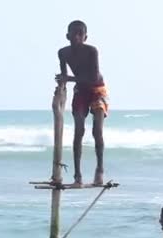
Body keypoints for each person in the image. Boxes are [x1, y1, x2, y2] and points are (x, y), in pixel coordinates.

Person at [55, 20, 109, 186]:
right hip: (81, 91)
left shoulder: (92, 51)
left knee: (96, 130)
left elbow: (93, 77)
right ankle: (77, 175)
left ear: (85, 37)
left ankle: (99, 170)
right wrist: (60, 88)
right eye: (74, 33)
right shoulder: (63, 53)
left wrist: (68, 79)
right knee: (79, 130)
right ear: (67, 36)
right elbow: (64, 76)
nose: (77, 37)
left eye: (80, 34)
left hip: (97, 89)